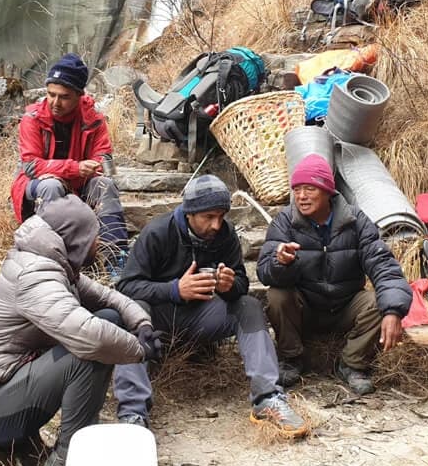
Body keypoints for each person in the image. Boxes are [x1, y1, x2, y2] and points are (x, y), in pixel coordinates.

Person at [0, 196, 162, 466]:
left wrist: (142, 325)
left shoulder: (55, 265)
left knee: (109, 318)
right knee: (87, 354)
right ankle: (66, 459)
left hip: (9, 386)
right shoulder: (36, 275)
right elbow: (91, 338)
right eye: (94, 236)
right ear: (76, 238)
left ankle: (76, 442)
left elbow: (111, 299)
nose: (98, 243)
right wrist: (140, 350)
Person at [112, 175, 309, 437]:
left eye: (221, 216)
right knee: (133, 311)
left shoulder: (225, 235)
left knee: (248, 306)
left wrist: (230, 286)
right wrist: (174, 289)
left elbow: (240, 282)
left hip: (200, 318)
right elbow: (126, 287)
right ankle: (133, 413)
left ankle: (267, 398)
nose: (217, 224)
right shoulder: (158, 232)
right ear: (189, 213)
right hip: (157, 321)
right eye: (209, 216)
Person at [258, 154, 412, 395]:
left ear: (328, 191)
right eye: (297, 189)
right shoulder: (285, 221)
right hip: (305, 308)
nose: (301, 196)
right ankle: (291, 358)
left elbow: (383, 265)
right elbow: (265, 271)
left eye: (309, 189)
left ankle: (352, 363)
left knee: (377, 302)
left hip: (345, 306)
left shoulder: (356, 221)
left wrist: (394, 310)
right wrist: (280, 263)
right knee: (277, 295)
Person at [9, 53, 126, 250]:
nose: (55, 102)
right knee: (51, 186)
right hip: (35, 185)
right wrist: (75, 168)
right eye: (51, 94)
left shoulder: (94, 119)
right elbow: (31, 166)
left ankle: (116, 256)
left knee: (104, 184)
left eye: (64, 97)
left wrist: (95, 167)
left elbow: (105, 158)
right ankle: (54, 252)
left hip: (79, 184)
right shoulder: (32, 118)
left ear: (80, 96)